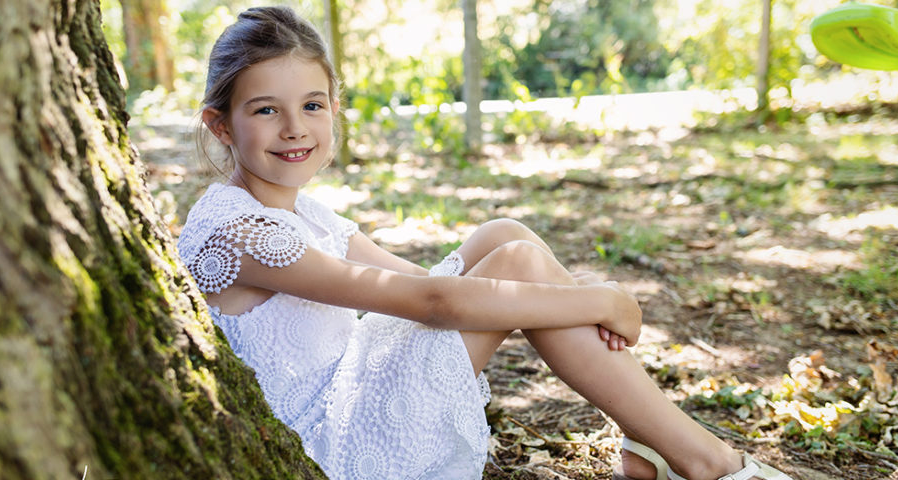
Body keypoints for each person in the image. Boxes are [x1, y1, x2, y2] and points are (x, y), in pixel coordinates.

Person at [176, 6, 794, 480]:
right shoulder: (239, 231)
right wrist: (600, 300)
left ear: (334, 108)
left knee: (505, 239)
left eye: (312, 105)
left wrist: (557, 296)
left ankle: (654, 442)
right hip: (329, 444)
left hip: (346, 393)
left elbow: (422, 281)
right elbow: (434, 304)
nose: (294, 129)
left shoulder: (301, 211)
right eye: (264, 111)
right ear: (219, 123)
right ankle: (699, 459)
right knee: (519, 263)